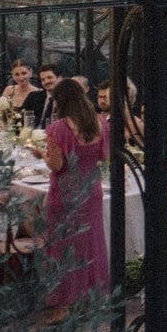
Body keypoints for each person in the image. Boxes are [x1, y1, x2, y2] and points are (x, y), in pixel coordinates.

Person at [41, 77, 108, 314]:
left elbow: (57, 166)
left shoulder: (59, 129)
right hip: (91, 189)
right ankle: (91, 297)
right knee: (91, 242)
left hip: (67, 191)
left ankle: (64, 302)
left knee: (63, 243)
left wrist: (41, 154)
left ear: (61, 100)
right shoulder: (100, 123)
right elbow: (103, 157)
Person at [20, 65, 63, 130]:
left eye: (49, 77)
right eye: (43, 79)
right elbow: (22, 117)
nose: (46, 82)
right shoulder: (33, 96)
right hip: (31, 136)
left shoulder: (66, 99)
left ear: (59, 78)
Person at [0, 60, 34, 130]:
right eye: (17, 74)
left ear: (30, 73)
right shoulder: (9, 90)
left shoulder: (38, 92)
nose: (21, 77)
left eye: (24, 73)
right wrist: (6, 130)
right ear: (12, 75)